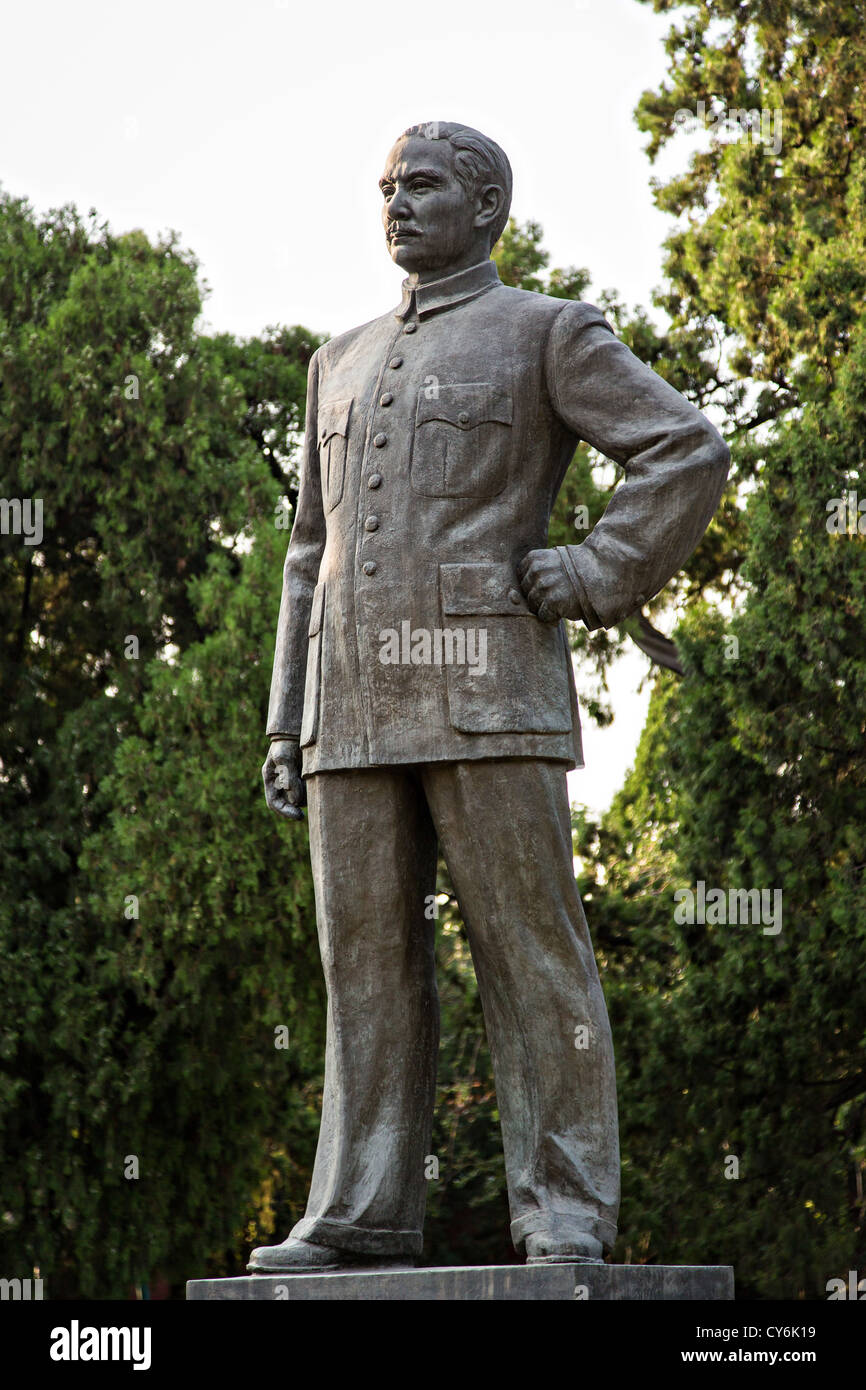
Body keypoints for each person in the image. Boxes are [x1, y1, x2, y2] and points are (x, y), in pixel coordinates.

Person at [250, 121, 729, 1273]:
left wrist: (595, 571)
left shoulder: (543, 333)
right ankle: (360, 1205)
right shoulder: (339, 358)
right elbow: (305, 555)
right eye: (385, 187)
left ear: (485, 207)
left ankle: (563, 1203)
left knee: (530, 953)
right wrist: (285, 716)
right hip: (347, 712)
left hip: (486, 690)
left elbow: (684, 448)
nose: (396, 205)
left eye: (420, 185)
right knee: (360, 963)